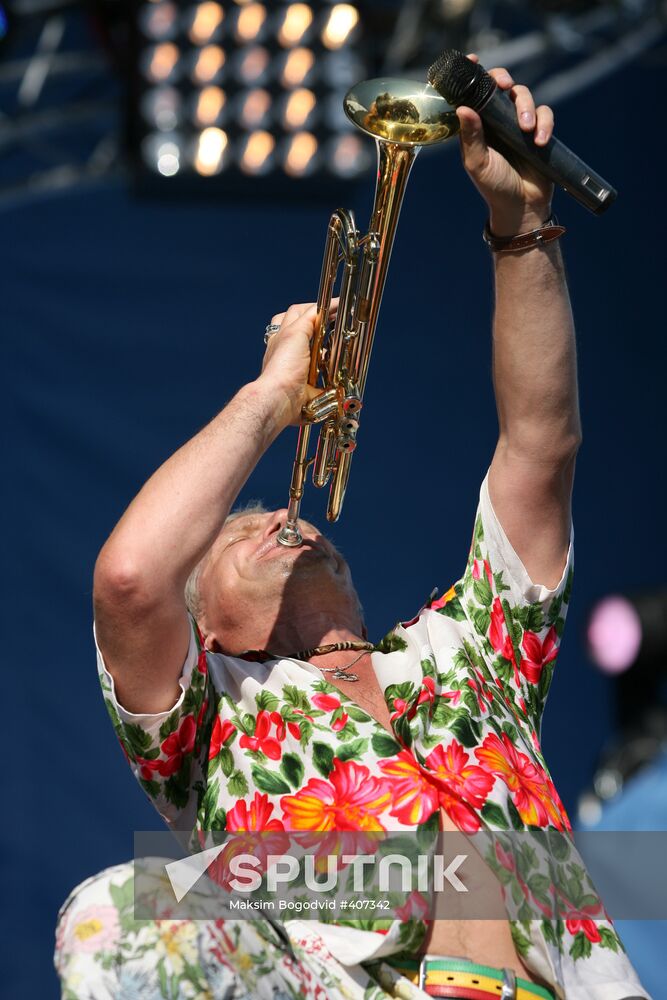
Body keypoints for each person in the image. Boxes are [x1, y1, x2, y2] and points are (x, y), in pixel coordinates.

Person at [54, 63, 650, 1000]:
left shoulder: (469, 655)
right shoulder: (213, 720)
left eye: (279, 515)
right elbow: (130, 579)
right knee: (118, 917)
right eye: (240, 534)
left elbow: (539, 444)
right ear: (204, 630)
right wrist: (272, 399)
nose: (280, 518)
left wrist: (521, 223)